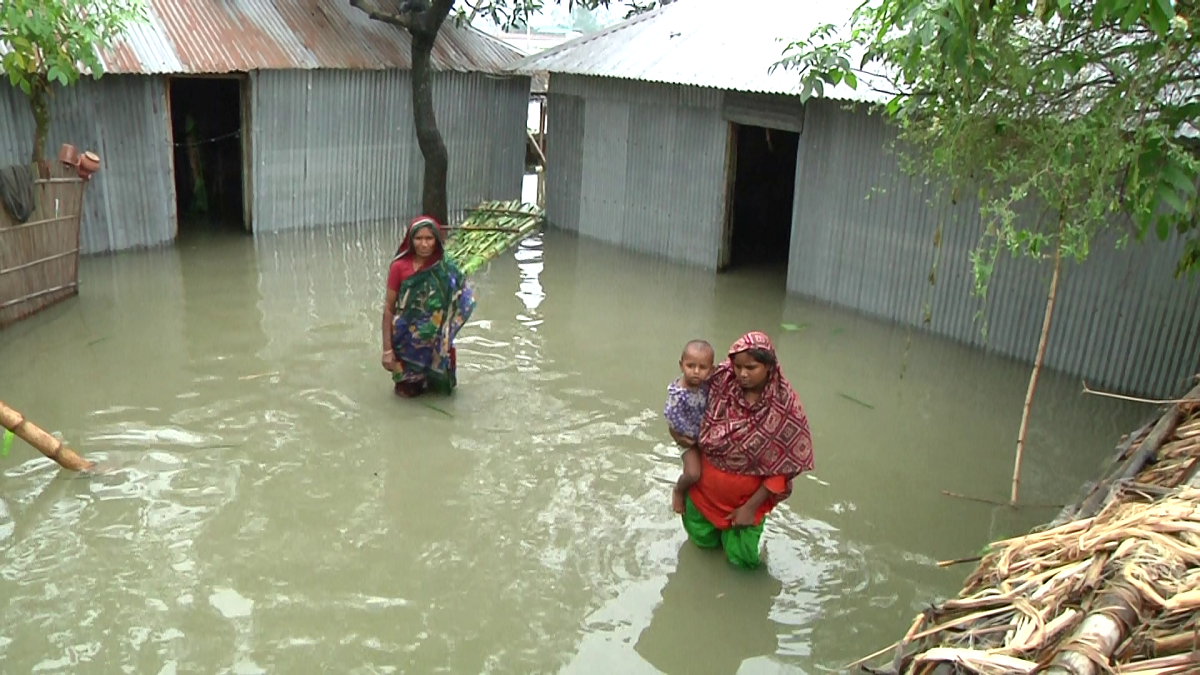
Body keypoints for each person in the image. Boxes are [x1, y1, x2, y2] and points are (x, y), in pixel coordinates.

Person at [681, 331, 814, 569]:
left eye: (751, 367)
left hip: (743, 508)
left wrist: (750, 508)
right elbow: (681, 405)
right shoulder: (719, 383)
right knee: (700, 551)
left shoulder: (784, 407)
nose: (742, 374)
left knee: (741, 562)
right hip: (702, 498)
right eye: (738, 366)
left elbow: (782, 466)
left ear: (769, 367)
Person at [381, 215, 476, 397]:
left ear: (437, 241)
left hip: (437, 345)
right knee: (406, 396)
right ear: (410, 240)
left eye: (429, 239)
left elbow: (462, 297)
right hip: (405, 343)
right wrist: (387, 349)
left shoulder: (445, 268)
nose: (424, 244)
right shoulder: (399, 267)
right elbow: (388, 308)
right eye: (418, 239)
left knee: (440, 395)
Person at [664, 339, 715, 515]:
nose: (695, 372)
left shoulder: (708, 384)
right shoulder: (678, 395)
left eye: (702, 367)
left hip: (706, 434)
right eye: (690, 365)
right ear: (681, 365)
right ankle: (679, 489)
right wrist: (692, 441)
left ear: (712, 370)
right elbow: (674, 422)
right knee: (694, 473)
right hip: (688, 438)